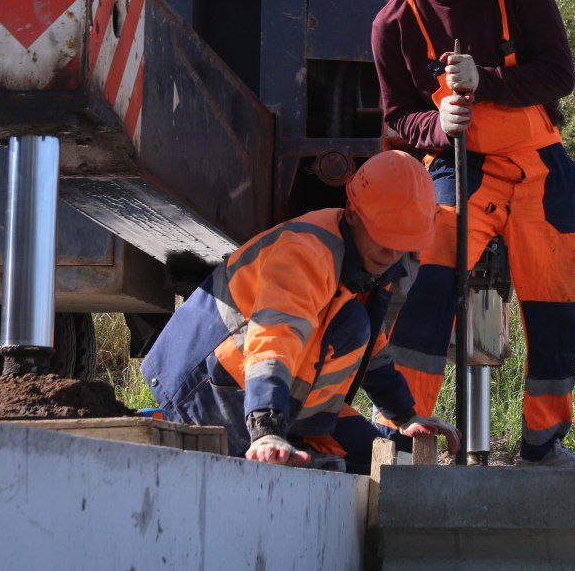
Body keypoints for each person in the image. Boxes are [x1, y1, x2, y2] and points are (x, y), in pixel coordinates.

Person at [371, 0, 575, 467]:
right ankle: (401, 431)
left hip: (538, 165)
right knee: (429, 274)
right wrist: (438, 125)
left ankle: (544, 443)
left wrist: (485, 82)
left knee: (558, 297)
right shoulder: (393, 24)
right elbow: (398, 119)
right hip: (458, 166)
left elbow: (558, 76)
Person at [141, 150, 459, 474]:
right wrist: (267, 430)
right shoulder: (306, 252)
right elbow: (274, 340)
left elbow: (373, 355)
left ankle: (289, 432)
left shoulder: (372, 265)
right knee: (350, 325)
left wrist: (406, 417)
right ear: (352, 213)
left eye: (401, 243)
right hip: (205, 382)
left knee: (377, 460)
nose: (391, 253)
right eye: (383, 238)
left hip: (277, 398)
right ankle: (265, 435)